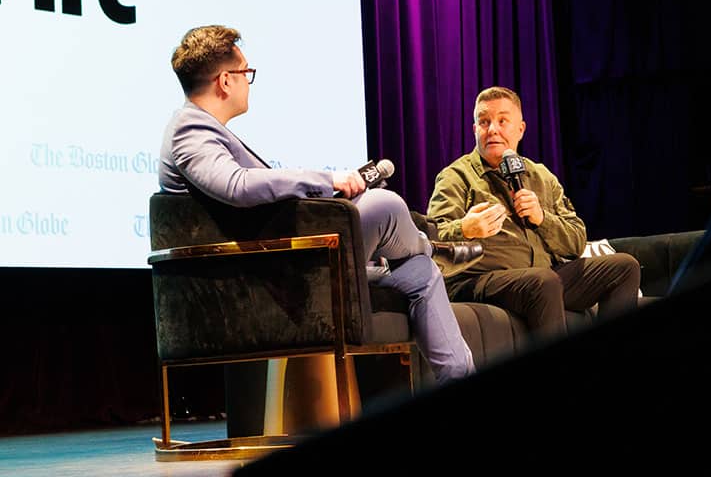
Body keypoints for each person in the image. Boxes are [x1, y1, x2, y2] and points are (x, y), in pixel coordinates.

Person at [159, 24, 475, 384]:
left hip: (288, 258)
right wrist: (326, 179)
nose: (249, 81)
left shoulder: (204, 128)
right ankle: (430, 245)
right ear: (226, 81)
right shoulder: (190, 129)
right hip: (259, 278)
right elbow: (236, 186)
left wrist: (330, 196)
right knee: (384, 205)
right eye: (247, 72)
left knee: (420, 272)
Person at [427, 86, 641, 342]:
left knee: (624, 267)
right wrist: (465, 228)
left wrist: (543, 219)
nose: (492, 129)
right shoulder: (456, 176)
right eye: (484, 122)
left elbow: (576, 240)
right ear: (475, 130)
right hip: (479, 279)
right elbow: (432, 242)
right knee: (544, 281)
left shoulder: (540, 175)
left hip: (544, 276)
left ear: (521, 129)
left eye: (502, 121)